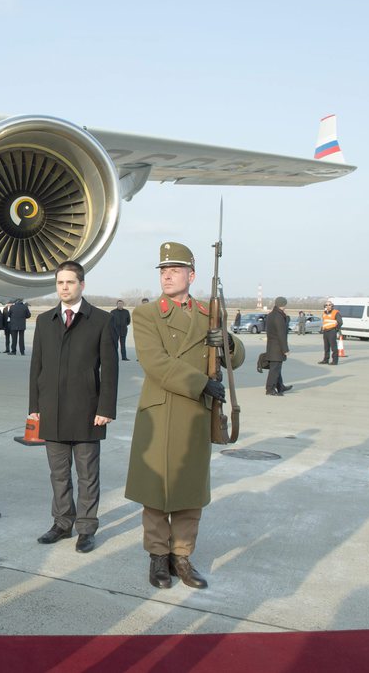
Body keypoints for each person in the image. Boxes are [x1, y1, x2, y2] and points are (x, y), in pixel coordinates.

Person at [124, 242, 244, 591]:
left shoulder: (209, 313)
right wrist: (201, 383)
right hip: (163, 411)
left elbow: (235, 359)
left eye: (174, 270)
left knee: (190, 493)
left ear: (191, 276)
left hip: (195, 416)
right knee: (158, 492)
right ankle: (158, 558)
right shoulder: (146, 315)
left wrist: (226, 341)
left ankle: (182, 557)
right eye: (163, 271)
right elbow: (155, 362)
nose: (167, 276)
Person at [28, 261, 118, 553]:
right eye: (59, 283)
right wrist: (34, 406)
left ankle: (86, 528)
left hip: (87, 413)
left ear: (82, 285)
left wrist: (105, 408)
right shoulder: (44, 321)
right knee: (58, 474)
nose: (64, 287)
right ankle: (62, 523)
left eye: (69, 282)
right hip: (51, 411)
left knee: (88, 475)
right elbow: (36, 368)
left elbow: (111, 369)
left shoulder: (101, 320)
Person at [265, 297, 292, 396]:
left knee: (276, 368)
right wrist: (285, 349)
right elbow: (281, 334)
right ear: (284, 304)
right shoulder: (279, 317)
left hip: (272, 345)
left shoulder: (271, 315)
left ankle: (280, 386)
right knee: (275, 369)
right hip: (277, 347)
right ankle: (270, 389)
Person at [320, 300, 343, 365]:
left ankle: (335, 361)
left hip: (332, 331)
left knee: (333, 347)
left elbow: (340, 322)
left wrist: (336, 329)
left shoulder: (335, 312)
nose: (328, 306)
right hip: (325, 331)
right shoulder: (324, 313)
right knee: (326, 347)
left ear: (332, 306)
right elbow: (324, 322)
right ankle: (326, 359)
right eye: (326, 305)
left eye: (329, 305)